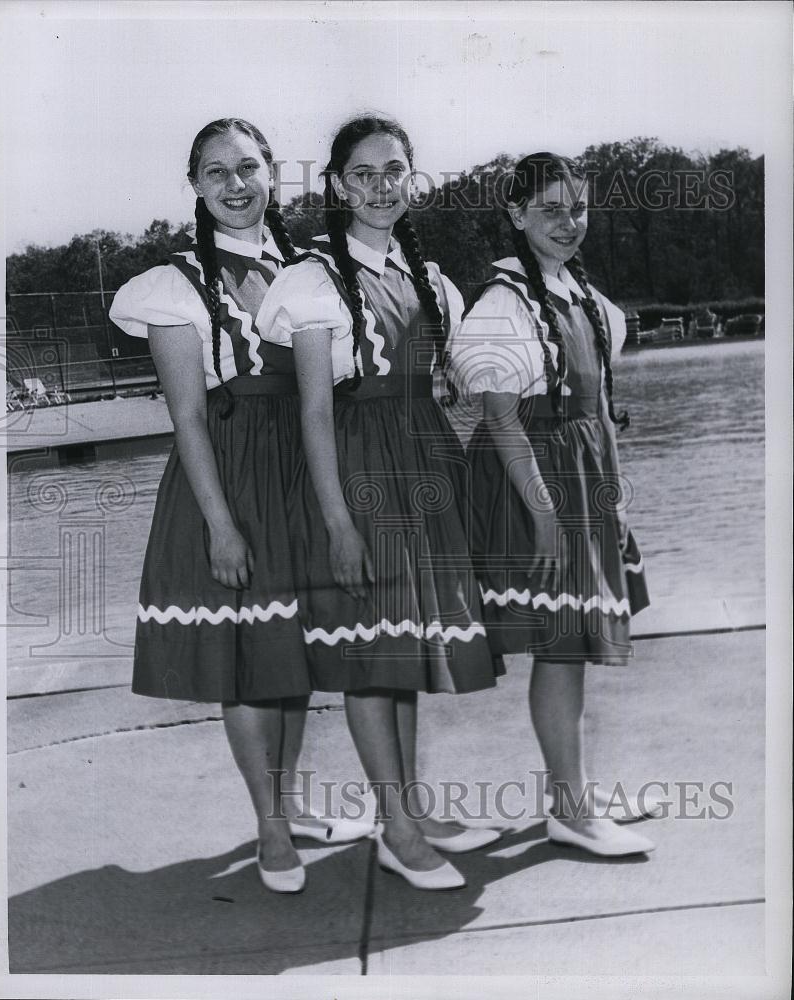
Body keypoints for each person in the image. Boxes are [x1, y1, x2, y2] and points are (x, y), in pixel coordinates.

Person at [109, 118, 373, 894]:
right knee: (248, 664)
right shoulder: (175, 282)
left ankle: (289, 804)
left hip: (305, 472)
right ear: (194, 185)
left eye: (249, 167)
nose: (235, 185)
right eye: (216, 171)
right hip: (230, 478)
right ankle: (268, 829)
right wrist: (220, 525)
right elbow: (188, 415)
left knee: (289, 655)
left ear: (272, 176)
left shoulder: (313, 269)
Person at [257, 115, 502, 891]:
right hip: (358, 476)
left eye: (395, 169)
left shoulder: (429, 279)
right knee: (370, 653)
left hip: (421, 474)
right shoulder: (311, 280)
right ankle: (397, 828)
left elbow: (456, 389)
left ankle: (407, 812)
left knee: (403, 648)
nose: (381, 186)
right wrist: (336, 522)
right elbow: (315, 413)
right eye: (362, 173)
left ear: (412, 179)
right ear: (336, 186)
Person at [447, 152, 656, 856]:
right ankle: (569, 809)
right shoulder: (503, 302)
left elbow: (596, 413)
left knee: (572, 645)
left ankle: (578, 789)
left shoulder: (586, 300)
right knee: (560, 647)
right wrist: (543, 514)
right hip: (532, 484)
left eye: (579, 208)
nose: (570, 223)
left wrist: (613, 503)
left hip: (584, 477)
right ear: (516, 215)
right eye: (551, 210)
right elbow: (501, 421)